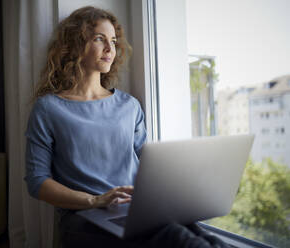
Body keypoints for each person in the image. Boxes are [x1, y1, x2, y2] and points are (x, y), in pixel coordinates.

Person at [24, 6, 230, 248]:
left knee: (203, 236)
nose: (110, 49)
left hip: (137, 211)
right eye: (100, 39)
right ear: (75, 44)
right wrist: (95, 200)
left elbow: (149, 168)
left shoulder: (129, 106)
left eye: (113, 40)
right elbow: (37, 182)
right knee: (180, 239)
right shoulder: (48, 109)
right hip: (83, 218)